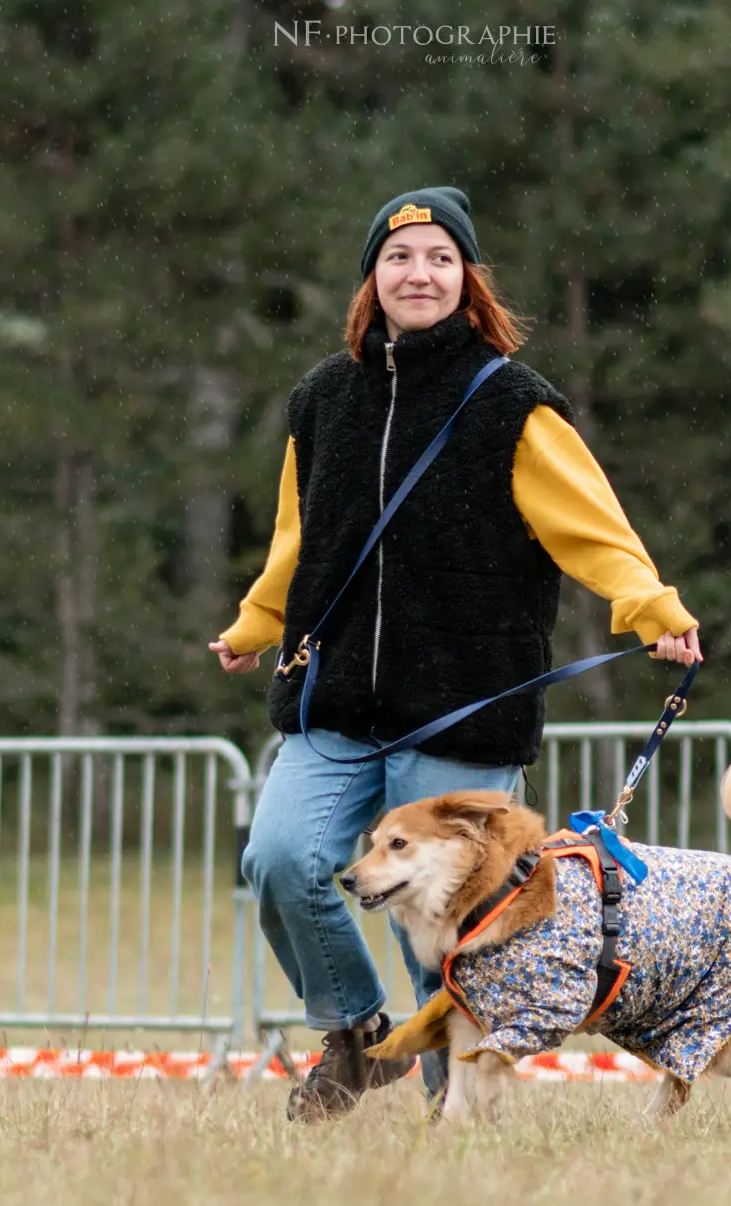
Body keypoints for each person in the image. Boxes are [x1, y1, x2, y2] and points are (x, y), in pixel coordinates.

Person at [210, 185, 702, 1122]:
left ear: (467, 279)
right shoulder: (322, 400)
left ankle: (455, 1110)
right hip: (335, 701)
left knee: (447, 923)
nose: (419, 273)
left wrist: (649, 605)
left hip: (466, 705)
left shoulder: (512, 400)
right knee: (278, 856)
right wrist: (257, 622)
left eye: (440, 257)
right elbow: (299, 537)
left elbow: (592, 527)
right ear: (373, 280)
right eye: (399, 258)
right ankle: (357, 1035)